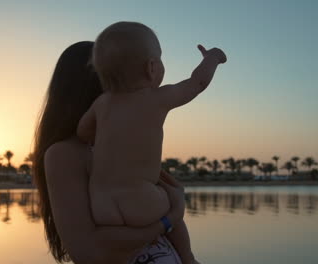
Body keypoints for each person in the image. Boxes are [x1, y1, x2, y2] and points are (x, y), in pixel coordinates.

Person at [77, 22, 226, 263]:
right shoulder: (157, 98)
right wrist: (212, 58)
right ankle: (188, 257)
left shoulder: (101, 104)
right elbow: (197, 83)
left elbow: (83, 132)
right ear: (152, 68)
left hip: (102, 204)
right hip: (141, 199)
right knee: (172, 207)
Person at [33, 41, 187, 264]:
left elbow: (161, 203)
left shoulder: (123, 145)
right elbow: (89, 253)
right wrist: (170, 218)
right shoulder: (64, 154)